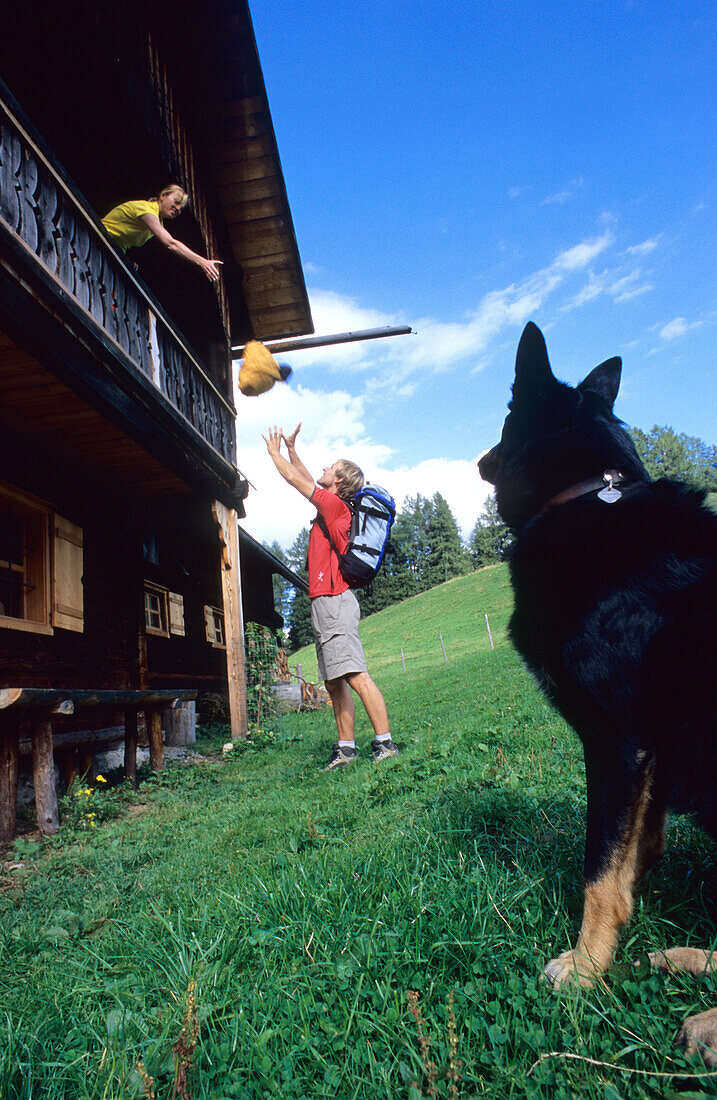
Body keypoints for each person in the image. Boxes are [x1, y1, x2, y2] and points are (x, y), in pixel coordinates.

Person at [263, 423, 399, 769]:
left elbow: (297, 481)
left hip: (336, 602)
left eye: (331, 467)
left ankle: (385, 744)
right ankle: (346, 750)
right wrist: (293, 450)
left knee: (354, 674)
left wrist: (275, 454)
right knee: (334, 680)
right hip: (324, 602)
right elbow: (308, 477)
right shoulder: (333, 505)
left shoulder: (336, 509)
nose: (324, 468)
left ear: (339, 482)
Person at [101, 184, 222, 282]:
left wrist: (124, 259)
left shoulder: (157, 224)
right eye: (177, 201)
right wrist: (202, 261)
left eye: (181, 208)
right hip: (99, 238)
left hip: (112, 250)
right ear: (163, 195)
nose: (178, 208)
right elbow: (171, 244)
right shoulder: (145, 209)